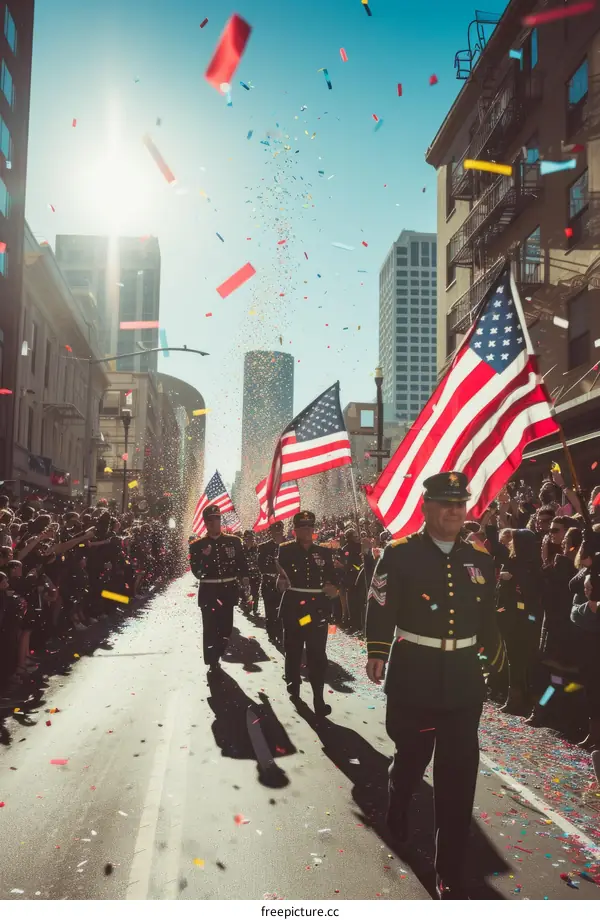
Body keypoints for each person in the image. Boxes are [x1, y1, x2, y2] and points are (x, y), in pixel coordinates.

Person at [365, 471, 506, 900]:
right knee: (411, 757)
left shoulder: (480, 560)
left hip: (463, 679)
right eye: (446, 503)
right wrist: (377, 650)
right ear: (426, 508)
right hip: (414, 675)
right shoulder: (400, 553)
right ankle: (400, 795)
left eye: (460, 504)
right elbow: (381, 602)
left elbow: (487, 616)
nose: (454, 511)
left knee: (459, 774)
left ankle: (449, 869)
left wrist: (495, 656)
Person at [276, 510, 339, 718]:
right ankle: (294, 686)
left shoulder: (324, 552)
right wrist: (281, 583)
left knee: (317, 655)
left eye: (310, 526)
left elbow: (333, 577)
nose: (307, 530)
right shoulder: (285, 551)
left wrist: (334, 588)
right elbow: (281, 577)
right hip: (295, 609)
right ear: (295, 530)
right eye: (303, 527)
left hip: (316, 610)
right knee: (293, 651)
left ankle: (318, 699)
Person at [189, 505, 250, 675]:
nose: (212, 523)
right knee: (209, 628)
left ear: (219, 520)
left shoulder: (234, 541)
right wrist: (203, 557)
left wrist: (245, 578)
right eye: (209, 520)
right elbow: (197, 572)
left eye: (216, 519)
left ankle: (220, 649)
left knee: (226, 628)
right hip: (209, 590)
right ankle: (212, 661)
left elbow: (241, 563)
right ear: (205, 523)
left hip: (228, 590)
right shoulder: (197, 546)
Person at [257, 521, 285, 643]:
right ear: (271, 532)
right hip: (269, 582)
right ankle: (272, 633)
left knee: (282, 611)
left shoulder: (288, 546)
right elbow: (261, 567)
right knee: (270, 610)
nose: (278, 533)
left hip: (284, 584)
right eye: (276, 530)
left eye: (280, 530)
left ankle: (280, 633)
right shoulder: (263, 547)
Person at [242, 530, 261, 616]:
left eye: (252, 538)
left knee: (255, 592)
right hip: (245, 575)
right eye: (249, 538)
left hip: (256, 574)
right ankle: (247, 606)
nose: (251, 540)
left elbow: (259, 561)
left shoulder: (257, 549)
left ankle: (255, 608)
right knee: (246, 592)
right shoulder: (241, 549)